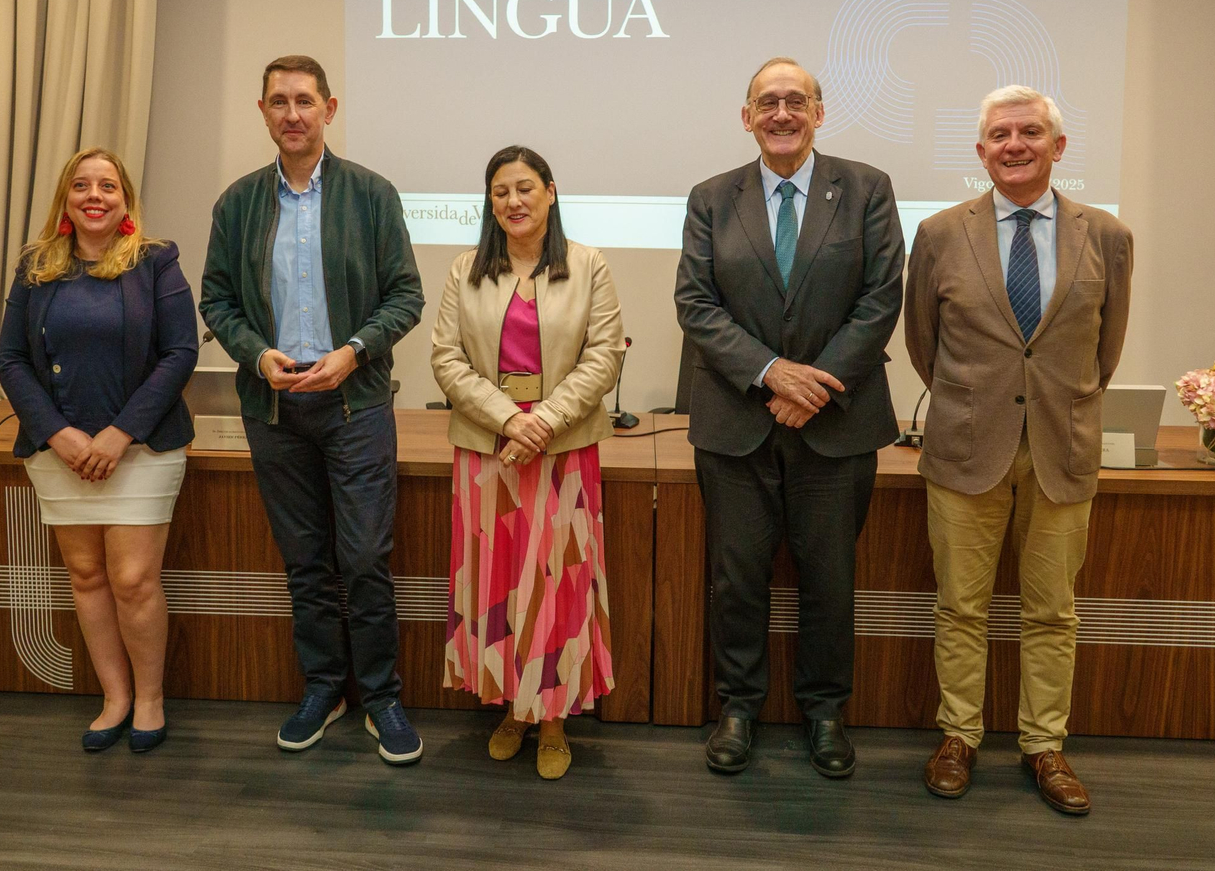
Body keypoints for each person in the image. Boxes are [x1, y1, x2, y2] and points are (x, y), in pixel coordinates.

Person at [903, 84, 1133, 815]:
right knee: (960, 606)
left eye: (1030, 132)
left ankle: (1044, 746)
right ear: (980, 152)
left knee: (1052, 611)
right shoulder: (941, 234)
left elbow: (1107, 349)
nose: (1014, 145)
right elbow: (922, 344)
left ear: (1057, 147)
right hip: (967, 448)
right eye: (999, 135)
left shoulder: (1106, 236)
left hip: (1062, 453)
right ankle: (959, 736)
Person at [674, 57, 904, 777]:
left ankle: (826, 711)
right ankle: (738, 706)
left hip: (836, 426)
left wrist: (814, 387)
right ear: (746, 117)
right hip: (736, 423)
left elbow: (880, 297)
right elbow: (696, 304)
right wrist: (772, 374)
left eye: (795, 101)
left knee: (829, 578)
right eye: (767, 102)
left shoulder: (865, 188)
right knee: (735, 577)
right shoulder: (712, 197)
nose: (781, 113)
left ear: (818, 112)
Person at [199, 54, 426, 764]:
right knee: (304, 562)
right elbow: (217, 301)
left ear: (330, 109)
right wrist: (256, 354)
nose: (292, 113)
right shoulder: (237, 204)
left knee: (362, 559)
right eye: (279, 101)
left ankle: (382, 697)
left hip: (354, 405)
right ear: (262, 111)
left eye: (305, 100)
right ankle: (324, 688)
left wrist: (354, 351)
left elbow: (406, 296)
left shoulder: (371, 194)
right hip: (273, 410)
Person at [429, 145, 624, 780]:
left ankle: (555, 718)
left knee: (557, 586)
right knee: (499, 583)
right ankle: (512, 707)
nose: (513, 202)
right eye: (500, 192)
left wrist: (542, 422)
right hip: (490, 451)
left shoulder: (588, 266)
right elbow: (447, 360)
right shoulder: (466, 270)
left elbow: (603, 359)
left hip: (562, 451)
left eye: (525, 189)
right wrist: (512, 420)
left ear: (550, 192)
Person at [0, 146, 198, 754]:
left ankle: (151, 701)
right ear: (65, 198)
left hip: (142, 449)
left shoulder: (156, 263)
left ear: (126, 200)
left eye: (108, 186)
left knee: (133, 579)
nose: (94, 195)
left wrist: (120, 433)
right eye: (81, 185)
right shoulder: (37, 267)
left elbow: (180, 354)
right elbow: (9, 358)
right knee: (86, 576)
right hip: (59, 452)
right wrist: (58, 433)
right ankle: (115, 698)